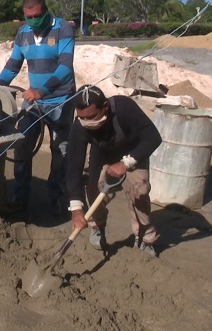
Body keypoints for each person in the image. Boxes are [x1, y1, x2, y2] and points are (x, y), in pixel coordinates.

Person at [0, 0, 76, 216]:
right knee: (22, 146)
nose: (33, 20)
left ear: (45, 10)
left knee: (60, 151)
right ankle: (20, 199)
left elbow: (65, 67)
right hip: (34, 104)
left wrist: (41, 90)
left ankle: (57, 198)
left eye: (37, 16)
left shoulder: (63, 29)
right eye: (28, 16)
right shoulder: (22, 33)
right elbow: (13, 63)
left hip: (60, 100)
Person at [66, 85, 162, 256]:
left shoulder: (124, 108)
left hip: (133, 153)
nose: (87, 122)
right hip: (102, 154)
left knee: (138, 192)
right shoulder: (80, 126)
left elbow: (153, 137)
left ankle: (144, 239)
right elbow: (74, 166)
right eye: (82, 118)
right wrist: (75, 208)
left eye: (92, 116)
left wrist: (126, 163)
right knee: (93, 192)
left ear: (105, 107)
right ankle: (98, 227)